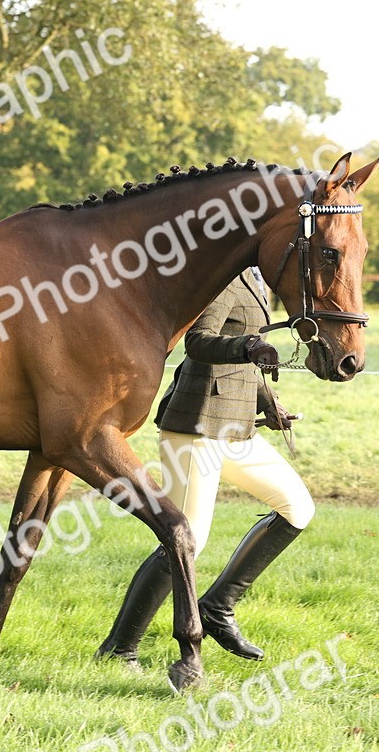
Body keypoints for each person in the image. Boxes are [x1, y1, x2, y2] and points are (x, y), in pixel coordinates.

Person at [96, 269, 311, 665]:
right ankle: (119, 648)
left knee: (297, 507)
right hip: (196, 428)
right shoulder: (225, 276)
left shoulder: (257, 279)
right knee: (185, 539)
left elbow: (245, 362)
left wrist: (268, 403)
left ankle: (218, 607)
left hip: (236, 428)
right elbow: (197, 342)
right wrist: (248, 345)